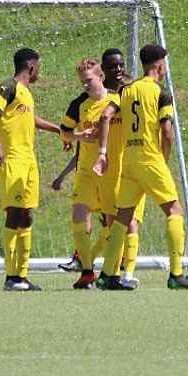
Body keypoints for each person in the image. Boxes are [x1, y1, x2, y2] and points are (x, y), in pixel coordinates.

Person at [92, 44, 188, 290]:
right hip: (150, 158)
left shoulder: (127, 90)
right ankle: (176, 274)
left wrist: (102, 152)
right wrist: (163, 158)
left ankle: (107, 274)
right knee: (175, 211)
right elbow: (167, 131)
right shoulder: (161, 93)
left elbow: (106, 116)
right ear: (160, 66)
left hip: (129, 160)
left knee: (122, 218)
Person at [56, 48, 144, 279]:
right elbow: (65, 132)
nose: (85, 84)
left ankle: (119, 271)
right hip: (88, 170)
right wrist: (77, 137)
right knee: (80, 215)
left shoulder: (121, 98)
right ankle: (87, 269)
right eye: (82, 81)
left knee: (119, 223)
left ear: (100, 76)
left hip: (118, 170)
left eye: (88, 80)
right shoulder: (79, 104)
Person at [0, 47, 60, 291]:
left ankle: (23, 276)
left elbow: (30, 119)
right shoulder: (9, 87)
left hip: (29, 161)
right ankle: (11, 276)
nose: (39, 72)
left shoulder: (27, 93)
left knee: (27, 214)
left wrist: (58, 130)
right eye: (38, 67)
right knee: (14, 214)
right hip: (13, 160)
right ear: (31, 67)